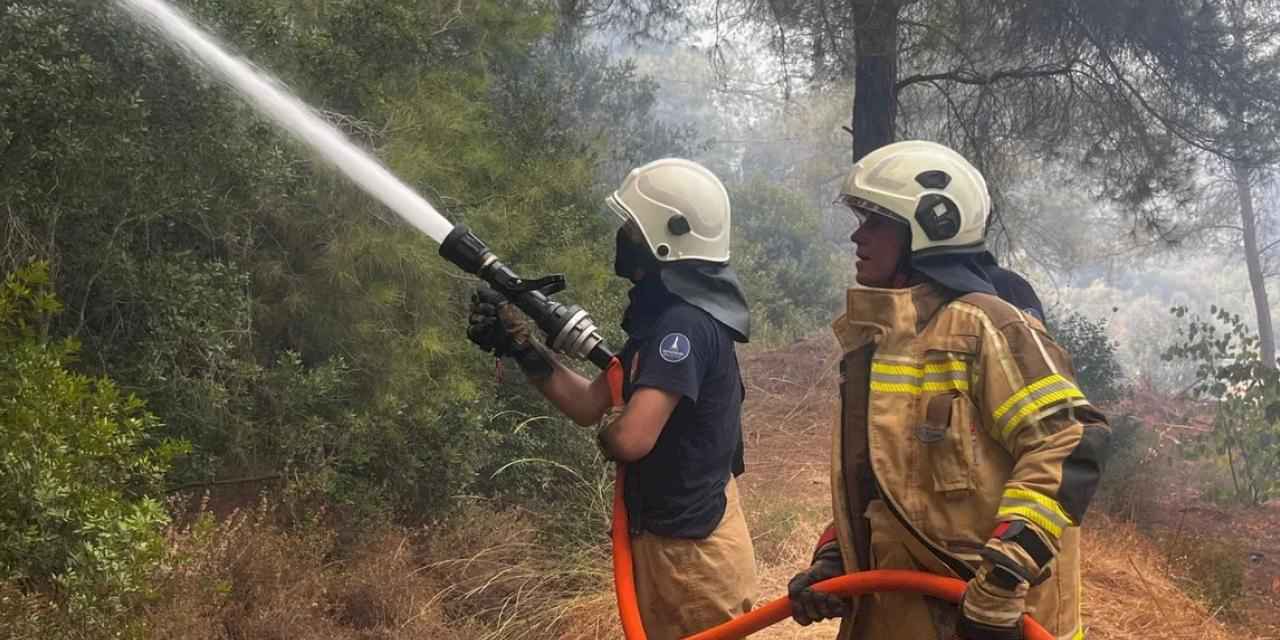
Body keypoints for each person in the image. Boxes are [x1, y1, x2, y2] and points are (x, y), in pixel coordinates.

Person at [787, 141, 1110, 640]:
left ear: (931, 225)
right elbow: (883, 481)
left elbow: (1067, 441)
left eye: (875, 221)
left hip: (991, 620)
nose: (857, 236)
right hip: (900, 616)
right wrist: (835, 557)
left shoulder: (988, 327)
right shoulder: (879, 340)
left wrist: (1004, 577)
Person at [466, 158, 757, 638]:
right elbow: (588, 403)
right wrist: (522, 347)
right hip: (673, 543)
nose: (623, 234)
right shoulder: (663, 322)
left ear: (666, 237)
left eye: (633, 225)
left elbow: (631, 438)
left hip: (694, 558)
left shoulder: (683, 326)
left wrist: (616, 428)